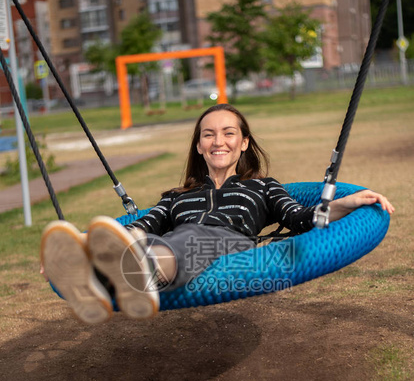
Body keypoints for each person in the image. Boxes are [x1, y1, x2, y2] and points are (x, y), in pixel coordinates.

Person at [41, 104, 394, 325]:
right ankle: (93, 280)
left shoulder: (264, 187)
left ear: (243, 143)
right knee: (147, 239)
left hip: (228, 245)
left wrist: (347, 203)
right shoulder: (177, 197)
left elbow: (302, 220)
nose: (217, 141)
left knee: (192, 236)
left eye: (228, 133)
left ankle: (137, 275)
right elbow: (137, 227)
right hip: (168, 247)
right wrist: (78, 248)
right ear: (199, 145)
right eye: (208, 134)